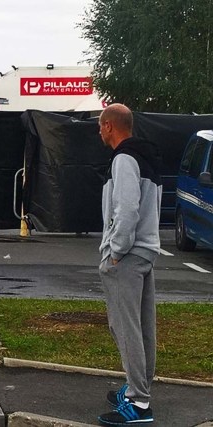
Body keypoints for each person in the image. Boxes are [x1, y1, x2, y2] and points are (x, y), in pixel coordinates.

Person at [97, 103, 162, 426]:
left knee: (125, 328)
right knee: (143, 327)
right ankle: (141, 389)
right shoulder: (147, 156)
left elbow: (126, 208)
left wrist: (115, 251)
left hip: (128, 254)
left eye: (100, 126)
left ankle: (138, 404)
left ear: (110, 126)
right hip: (147, 250)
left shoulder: (123, 158)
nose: (99, 132)